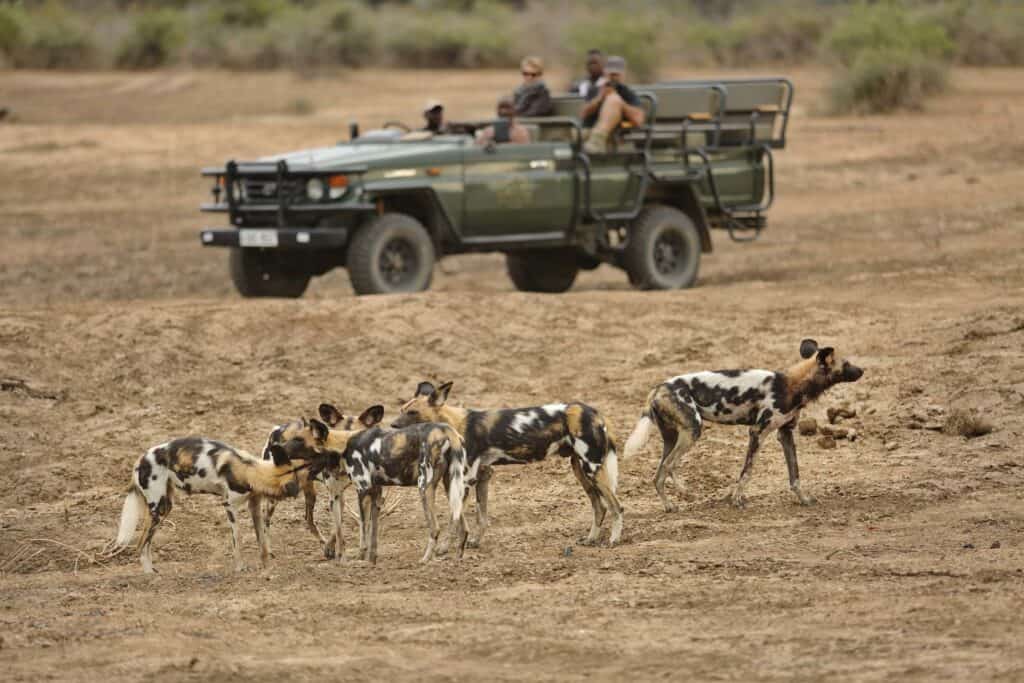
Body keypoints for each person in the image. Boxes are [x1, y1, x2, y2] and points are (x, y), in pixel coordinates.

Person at [579, 55, 645, 154]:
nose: (613, 77)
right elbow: (583, 114)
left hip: (615, 135)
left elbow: (639, 120)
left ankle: (597, 139)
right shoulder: (595, 89)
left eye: (616, 74)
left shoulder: (627, 92)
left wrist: (621, 104)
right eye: (611, 74)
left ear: (623, 75)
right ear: (605, 73)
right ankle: (596, 139)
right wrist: (600, 98)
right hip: (589, 131)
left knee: (614, 100)